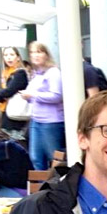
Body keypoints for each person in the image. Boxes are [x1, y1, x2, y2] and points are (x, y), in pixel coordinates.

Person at [21, 42, 65, 170]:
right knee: (35, 158)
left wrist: (33, 95)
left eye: (39, 52)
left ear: (46, 54)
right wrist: (27, 96)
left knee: (54, 158)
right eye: (32, 52)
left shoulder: (54, 72)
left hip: (51, 122)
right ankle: (42, 188)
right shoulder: (36, 74)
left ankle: (57, 188)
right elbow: (33, 96)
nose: (35, 55)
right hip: (36, 120)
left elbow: (56, 95)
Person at [0, 47, 30, 140]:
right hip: (8, 110)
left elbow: (10, 90)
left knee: (14, 139)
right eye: (6, 55)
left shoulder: (20, 73)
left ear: (18, 57)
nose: (9, 58)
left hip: (16, 112)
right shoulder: (6, 73)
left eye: (12, 55)